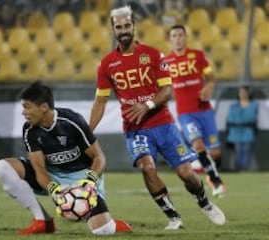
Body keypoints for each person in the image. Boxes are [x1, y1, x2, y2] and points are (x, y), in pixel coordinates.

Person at [89, 5, 226, 230]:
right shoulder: (106, 65)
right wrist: (87, 130)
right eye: (118, 26)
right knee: (147, 167)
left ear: (133, 26)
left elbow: (167, 91)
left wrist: (147, 105)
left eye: (127, 25)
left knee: (186, 173)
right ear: (113, 30)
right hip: (135, 129)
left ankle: (203, 201)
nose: (123, 30)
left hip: (163, 124)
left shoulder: (152, 55)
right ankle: (173, 216)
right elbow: (100, 101)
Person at [0, 81, 133, 235]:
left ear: (44, 107)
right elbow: (39, 169)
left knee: (103, 231)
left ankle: (111, 223)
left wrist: (89, 182)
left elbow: (99, 157)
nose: (23, 112)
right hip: (52, 176)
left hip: (83, 177)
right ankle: (43, 221)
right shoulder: (29, 130)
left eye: (27, 107)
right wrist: (54, 189)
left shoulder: (71, 121)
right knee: (3, 167)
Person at [165, 24, 226, 198]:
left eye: (180, 35)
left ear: (185, 37)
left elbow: (211, 76)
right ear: (171, 39)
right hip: (185, 113)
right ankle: (216, 181)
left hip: (204, 110)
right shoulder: (166, 62)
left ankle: (209, 173)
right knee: (197, 144)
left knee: (215, 153)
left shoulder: (197, 56)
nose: (177, 38)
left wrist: (210, 86)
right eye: (174, 35)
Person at [226, 85, 259, 171]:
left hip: (247, 130)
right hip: (235, 131)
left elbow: (252, 117)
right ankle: (238, 169)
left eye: (245, 92)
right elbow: (230, 118)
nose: (243, 94)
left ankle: (244, 170)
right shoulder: (234, 105)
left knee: (246, 150)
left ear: (248, 93)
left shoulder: (253, 105)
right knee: (238, 150)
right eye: (241, 92)